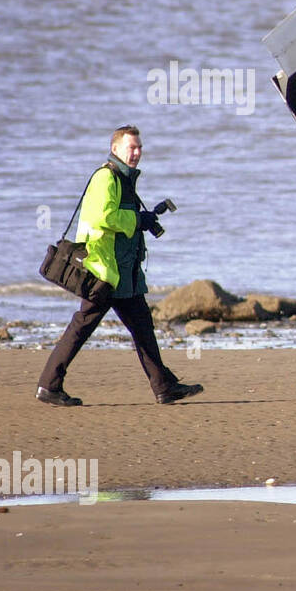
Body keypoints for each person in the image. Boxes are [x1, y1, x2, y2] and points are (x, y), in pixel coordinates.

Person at [37, 126, 203, 406]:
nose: (137, 152)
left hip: (122, 273)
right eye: (131, 147)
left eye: (139, 147)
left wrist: (142, 219)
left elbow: (118, 216)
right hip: (104, 273)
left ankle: (164, 387)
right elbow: (104, 217)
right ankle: (48, 385)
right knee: (81, 328)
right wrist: (138, 221)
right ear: (115, 150)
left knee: (142, 327)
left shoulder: (123, 178)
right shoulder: (106, 177)